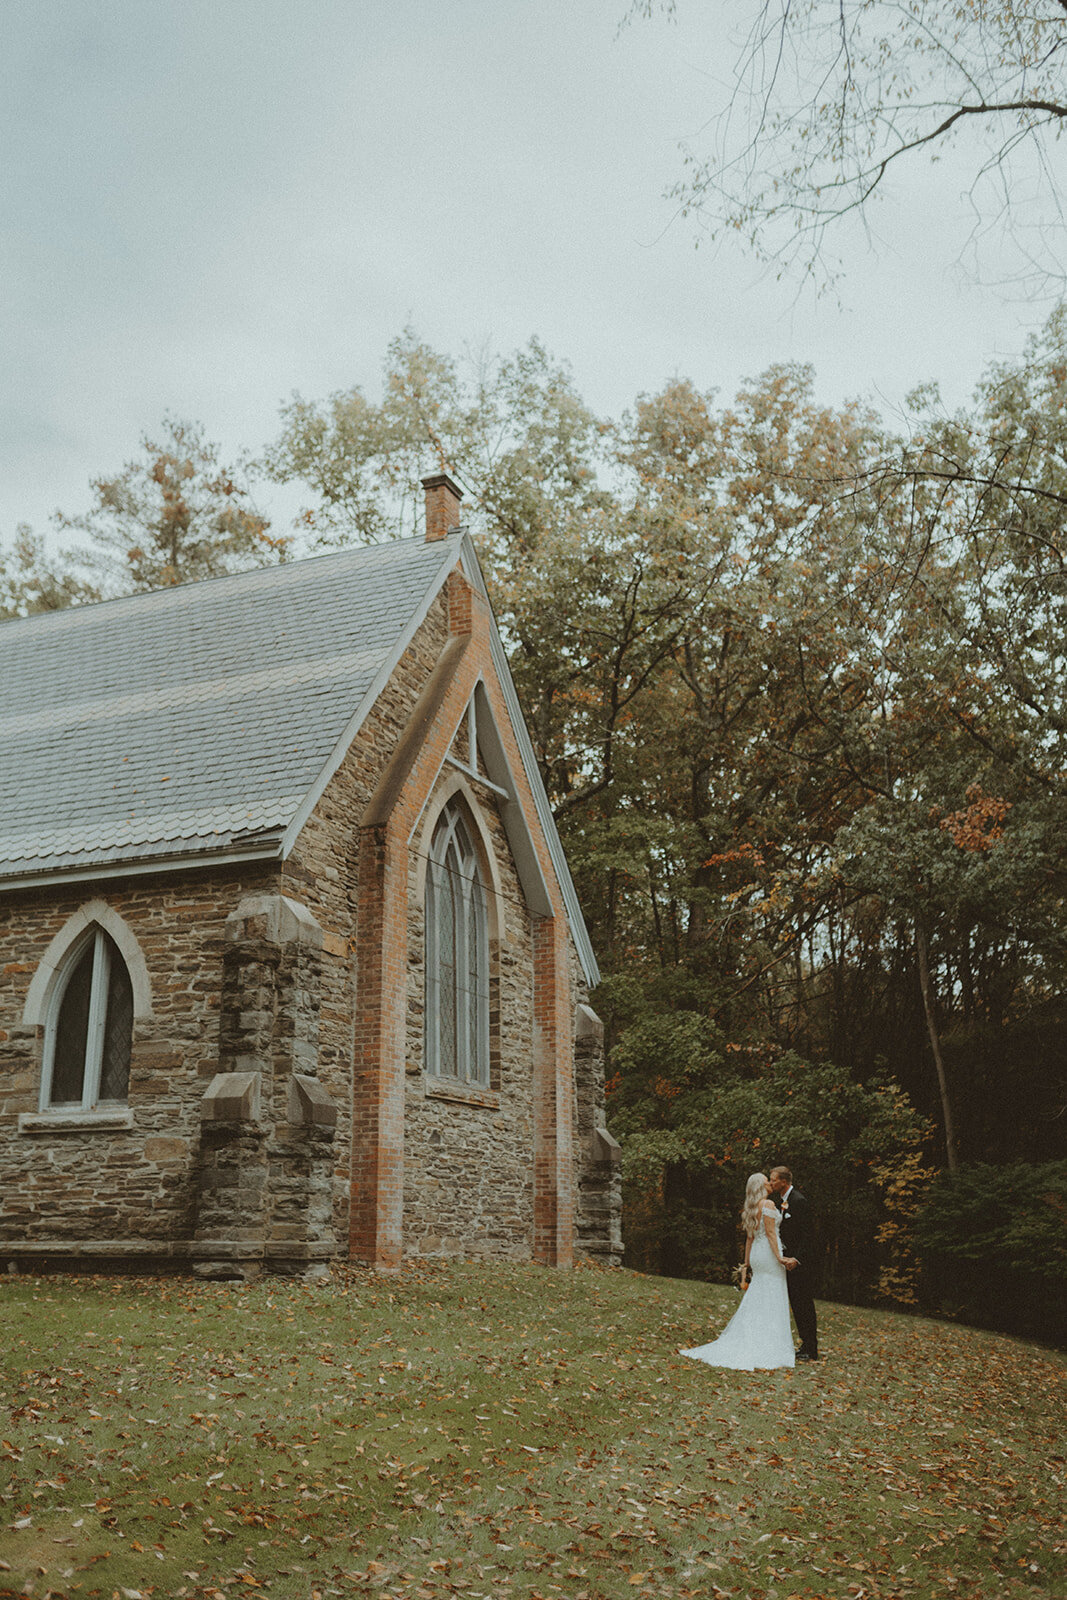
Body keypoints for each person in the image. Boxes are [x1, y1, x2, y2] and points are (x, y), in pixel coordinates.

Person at [680, 1172, 798, 1370]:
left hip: (757, 1256)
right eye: (766, 1181)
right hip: (769, 1254)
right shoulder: (767, 1205)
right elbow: (770, 1234)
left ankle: (754, 1336)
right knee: (772, 1294)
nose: (770, 1183)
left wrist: (746, 1265)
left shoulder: (751, 1208)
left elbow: (750, 1238)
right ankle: (769, 1343)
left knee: (759, 1294)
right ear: (761, 1187)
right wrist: (779, 1258)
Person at [769, 1165, 819, 1361]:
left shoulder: (799, 1201)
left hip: (801, 1263)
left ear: (784, 1181)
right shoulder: (782, 1201)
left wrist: (797, 1259)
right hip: (788, 1261)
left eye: (774, 1179)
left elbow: (809, 1235)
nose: (771, 1182)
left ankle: (811, 1348)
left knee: (804, 1304)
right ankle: (805, 1345)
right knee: (797, 1304)